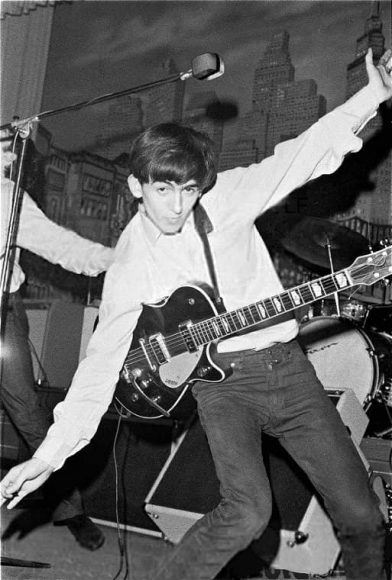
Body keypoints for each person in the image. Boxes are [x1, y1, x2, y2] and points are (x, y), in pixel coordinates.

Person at [1, 47, 391, 580]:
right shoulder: (132, 262)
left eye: (188, 190)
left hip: (287, 368)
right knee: (248, 510)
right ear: (137, 186)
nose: (178, 206)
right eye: (163, 190)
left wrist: (373, 96)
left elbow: (302, 153)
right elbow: (100, 366)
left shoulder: (224, 199)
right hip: (222, 384)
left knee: (362, 514)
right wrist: (48, 456)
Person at [0, 133, 115, 550]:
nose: (10, 153)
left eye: (10, 147)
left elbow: (61, 245)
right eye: (2, 145)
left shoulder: (8, 197)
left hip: (2, 310)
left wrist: (112, 259)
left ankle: (72, 508)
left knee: (25, 407)